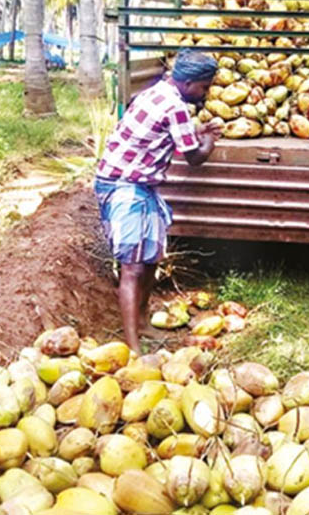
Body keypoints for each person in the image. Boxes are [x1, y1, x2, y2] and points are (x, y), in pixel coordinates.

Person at [94, 50, 222, 355]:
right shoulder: (175, 106)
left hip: (138, 184)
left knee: (150, 258)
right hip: (125, 186)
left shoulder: (156, 92)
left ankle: (142, 323)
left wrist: (197, 133)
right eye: (204, 87)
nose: (205, 93)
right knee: (133, 268)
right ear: (189, 83)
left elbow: (170, 135)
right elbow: (194, 158)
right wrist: (210, 141)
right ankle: (134, 348)